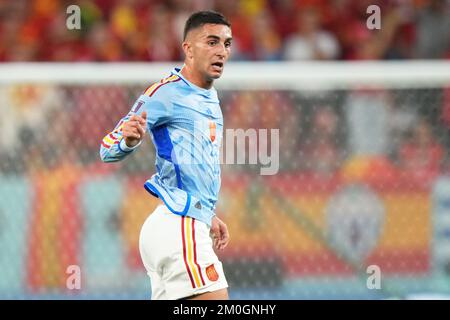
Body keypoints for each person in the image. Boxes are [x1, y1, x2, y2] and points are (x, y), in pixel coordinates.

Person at [99, 11, 232, 300]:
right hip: (178, 227)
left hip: (182, 223)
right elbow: (107, 147)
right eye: (212, 42)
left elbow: (194, 165)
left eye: (226, 43)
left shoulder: (209, 95)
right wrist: (129, 140)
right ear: (188, 49)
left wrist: (206, 213)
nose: (222, 51)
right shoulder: (166, 93)